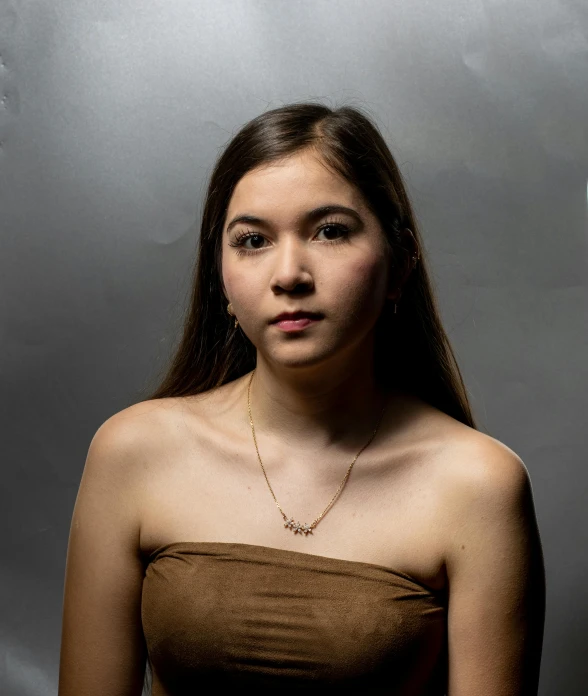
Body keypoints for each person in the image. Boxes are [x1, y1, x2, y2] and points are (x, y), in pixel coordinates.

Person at [58, 102, 545, 695]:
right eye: (253, 240)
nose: (289, 273)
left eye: (330, 231)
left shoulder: (479, 484)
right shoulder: (132, 452)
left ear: (400, 265)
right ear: (222, 284)